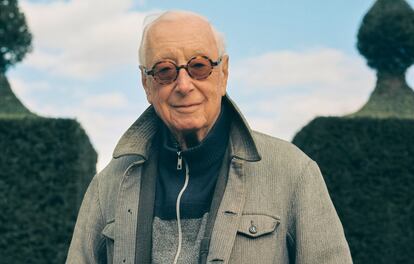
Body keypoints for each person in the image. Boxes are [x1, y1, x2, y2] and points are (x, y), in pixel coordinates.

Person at [67, 10, 353, 264]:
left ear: (223, 73)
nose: (183, 84)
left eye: (199, 66)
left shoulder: (293, 173)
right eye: (165, 71)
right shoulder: (107, 187)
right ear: (146, 84)